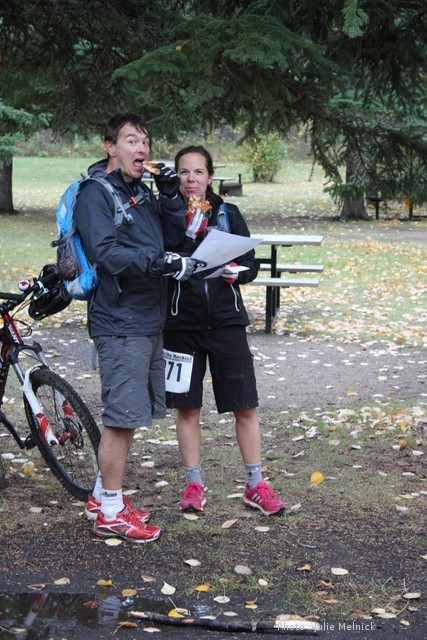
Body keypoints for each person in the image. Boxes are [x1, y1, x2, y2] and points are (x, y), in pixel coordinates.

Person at [74, 114, 195, 543]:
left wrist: (171, 197)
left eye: (145, 141)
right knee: (121, 418)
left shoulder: (141, 191)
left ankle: (100, 498)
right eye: (131, 140)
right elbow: (105, 254)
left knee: (131, 415)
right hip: (120, 321)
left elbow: (173, 239)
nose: (141, 148)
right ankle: (110, 511)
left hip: (147, 317)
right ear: (110, 147)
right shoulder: (95, 193)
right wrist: (157, 262)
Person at [163, 145, 286, 516]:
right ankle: (193, 484)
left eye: (198, 172)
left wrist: (238, 273)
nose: (191, 179)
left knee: (244, 405)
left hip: (227, 323)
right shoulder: (165, 214)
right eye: (184, 172)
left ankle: (255, 484)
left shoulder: (228, 213)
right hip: (181, 325)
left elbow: (250, 264)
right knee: (188, 408)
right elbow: (156, 262)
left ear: (210, 177)